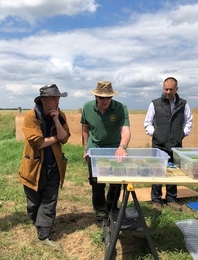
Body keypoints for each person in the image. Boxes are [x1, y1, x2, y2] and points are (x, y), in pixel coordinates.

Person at [18, 84, 70, 247]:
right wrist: (56, 138)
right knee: (34, 202)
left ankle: (43, 236)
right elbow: (39, 143)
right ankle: (38, 223)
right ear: (43, 100)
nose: (57, 101)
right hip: (34, 167)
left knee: (50, 200)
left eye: (58, 97)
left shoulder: (60, 116)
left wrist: (56, 120)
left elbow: (65, 138)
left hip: (54, 164)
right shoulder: (31, 117)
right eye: (54, 98)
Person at [81, 81, 131, 226]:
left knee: (116, 183)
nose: (105, 101)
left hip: (115, 151)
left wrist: (122, 147)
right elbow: (85, 129)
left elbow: (125, 130)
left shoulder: (121, 108)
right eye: (101, 97)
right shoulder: (87, 107)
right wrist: (86, 149)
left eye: (108, 97)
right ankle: (101, 214)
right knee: (97, 184)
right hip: (95, 149)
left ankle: (112, 209)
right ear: (96, 97)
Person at [144, 77, 193, 212]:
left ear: (176, 89)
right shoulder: (155, 103)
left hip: (176, 145)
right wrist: (157, 134)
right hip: (159, 145)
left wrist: (182, 134)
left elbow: (188, 121)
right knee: (157, 171)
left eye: (171, 89)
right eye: (166, 89)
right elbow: (147, 123)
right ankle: (156, 200)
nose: (168, 92)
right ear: (163, 88)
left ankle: (171, 199)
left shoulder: (183, 104)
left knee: (174, 172)